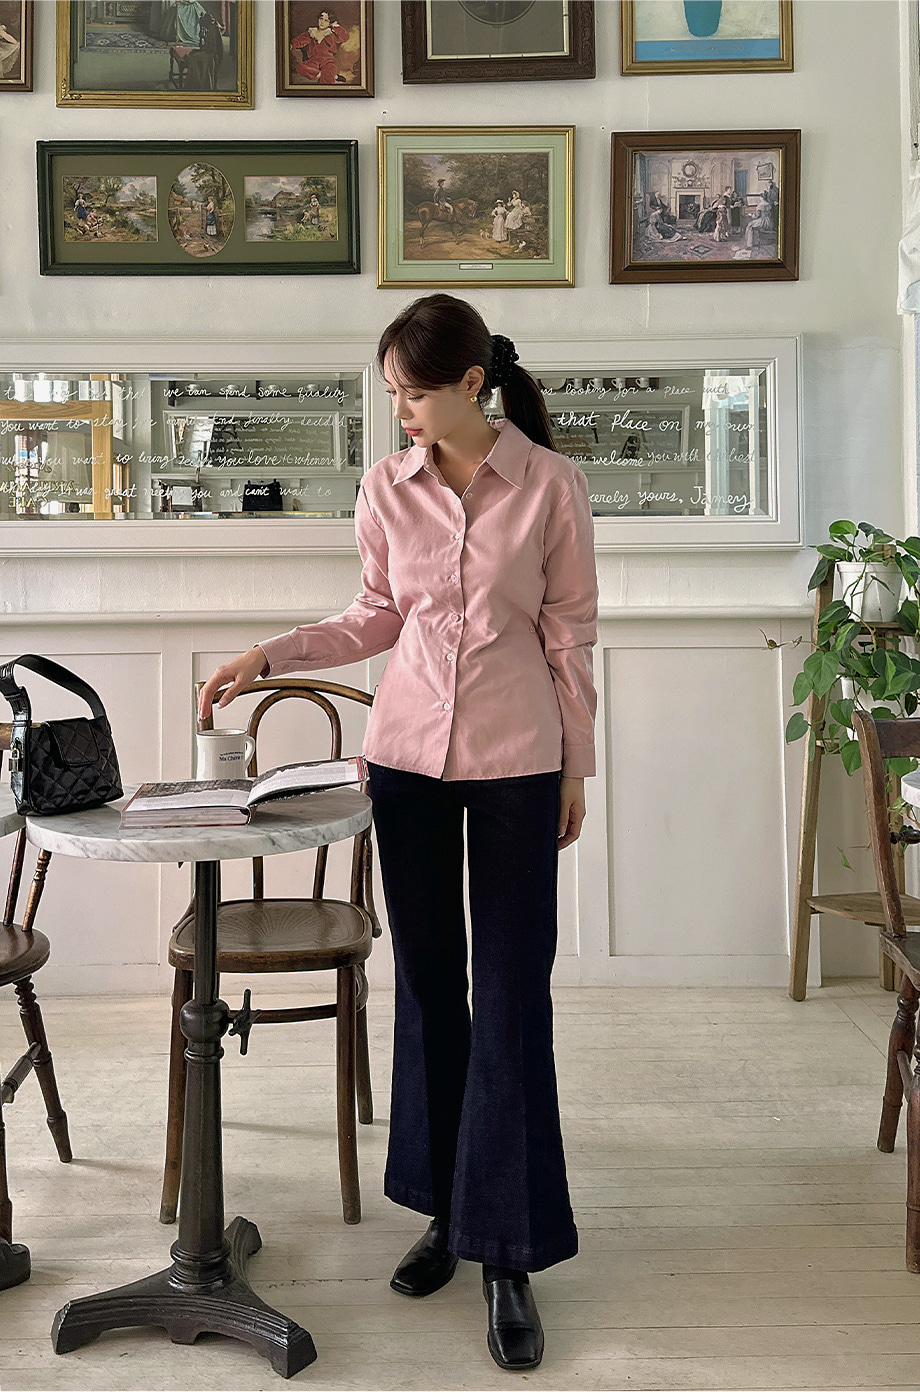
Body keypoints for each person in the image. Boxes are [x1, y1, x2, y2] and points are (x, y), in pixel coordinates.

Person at [197, 292, 598, 1374]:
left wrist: (575, 765)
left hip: (518, 764)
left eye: (413, 393)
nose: (400, 412)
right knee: (426, 987)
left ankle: (506, 1249)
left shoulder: (551, 486)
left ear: (472, 383)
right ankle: (444, 1213)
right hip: (408, 763)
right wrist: (269, 654)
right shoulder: (386, 486)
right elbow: (374, 614)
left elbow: (569, 635)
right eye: (390, 395)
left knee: (510, 995)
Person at [290, 8, 348, 84]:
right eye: (321, 19)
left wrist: (335, 26)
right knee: (300, 67)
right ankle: (329, 76)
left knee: (329, 69)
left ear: (330, 23)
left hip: (328, 61)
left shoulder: (331, 34)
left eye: (326, 20)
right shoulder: (312, 32)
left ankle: (326, 79)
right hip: (313, 61)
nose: (322, 22)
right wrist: (292, 45)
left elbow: (345, 36)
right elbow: (300, 40)